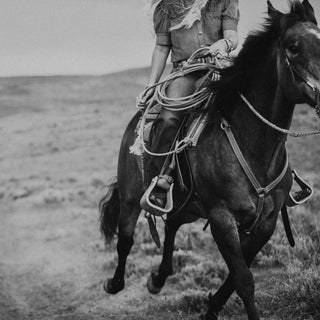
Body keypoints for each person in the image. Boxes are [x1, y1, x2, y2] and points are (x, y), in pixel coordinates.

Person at [139, 0, 239, 211]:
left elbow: (232, 37)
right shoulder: (167, 7)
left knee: (254, 103)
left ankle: (280, 176)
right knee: (168, 119)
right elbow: (161, 47)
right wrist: (151, 84)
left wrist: (224, 44)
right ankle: (163, 179)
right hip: (185, 73)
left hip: (219, 68)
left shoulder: (224, 1)